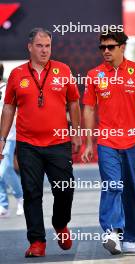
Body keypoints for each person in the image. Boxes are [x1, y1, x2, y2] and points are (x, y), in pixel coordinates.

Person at [81, 30, 135, 254]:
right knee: (112, 185)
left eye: (110, 46)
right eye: (102, 47)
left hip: (133, 141)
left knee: (130, 190)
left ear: (122, 47)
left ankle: (129, 236)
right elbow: (88, 108)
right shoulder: (94, 74)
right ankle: (111, 232)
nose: (106, 51)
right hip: (107, 141)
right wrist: (88, 142)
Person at [0, 28, 81, 257]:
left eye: (48, 46)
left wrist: (76, 132)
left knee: (64, 190)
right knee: (32, 193)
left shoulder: (63, 70)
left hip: (58, 141)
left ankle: (60, 223)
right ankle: (37, 242)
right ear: (30, 47)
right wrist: (2, 139)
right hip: (28, 144)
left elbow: (74, 102)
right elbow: (8, 108)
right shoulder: (17, 74)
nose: (44, 50)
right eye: (39, 46)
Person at [0, 63, 23, 217]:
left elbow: (15, 109)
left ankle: (21, 198)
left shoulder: (7, 88)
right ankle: (3, 205)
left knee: (6, 168)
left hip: (7, 135)